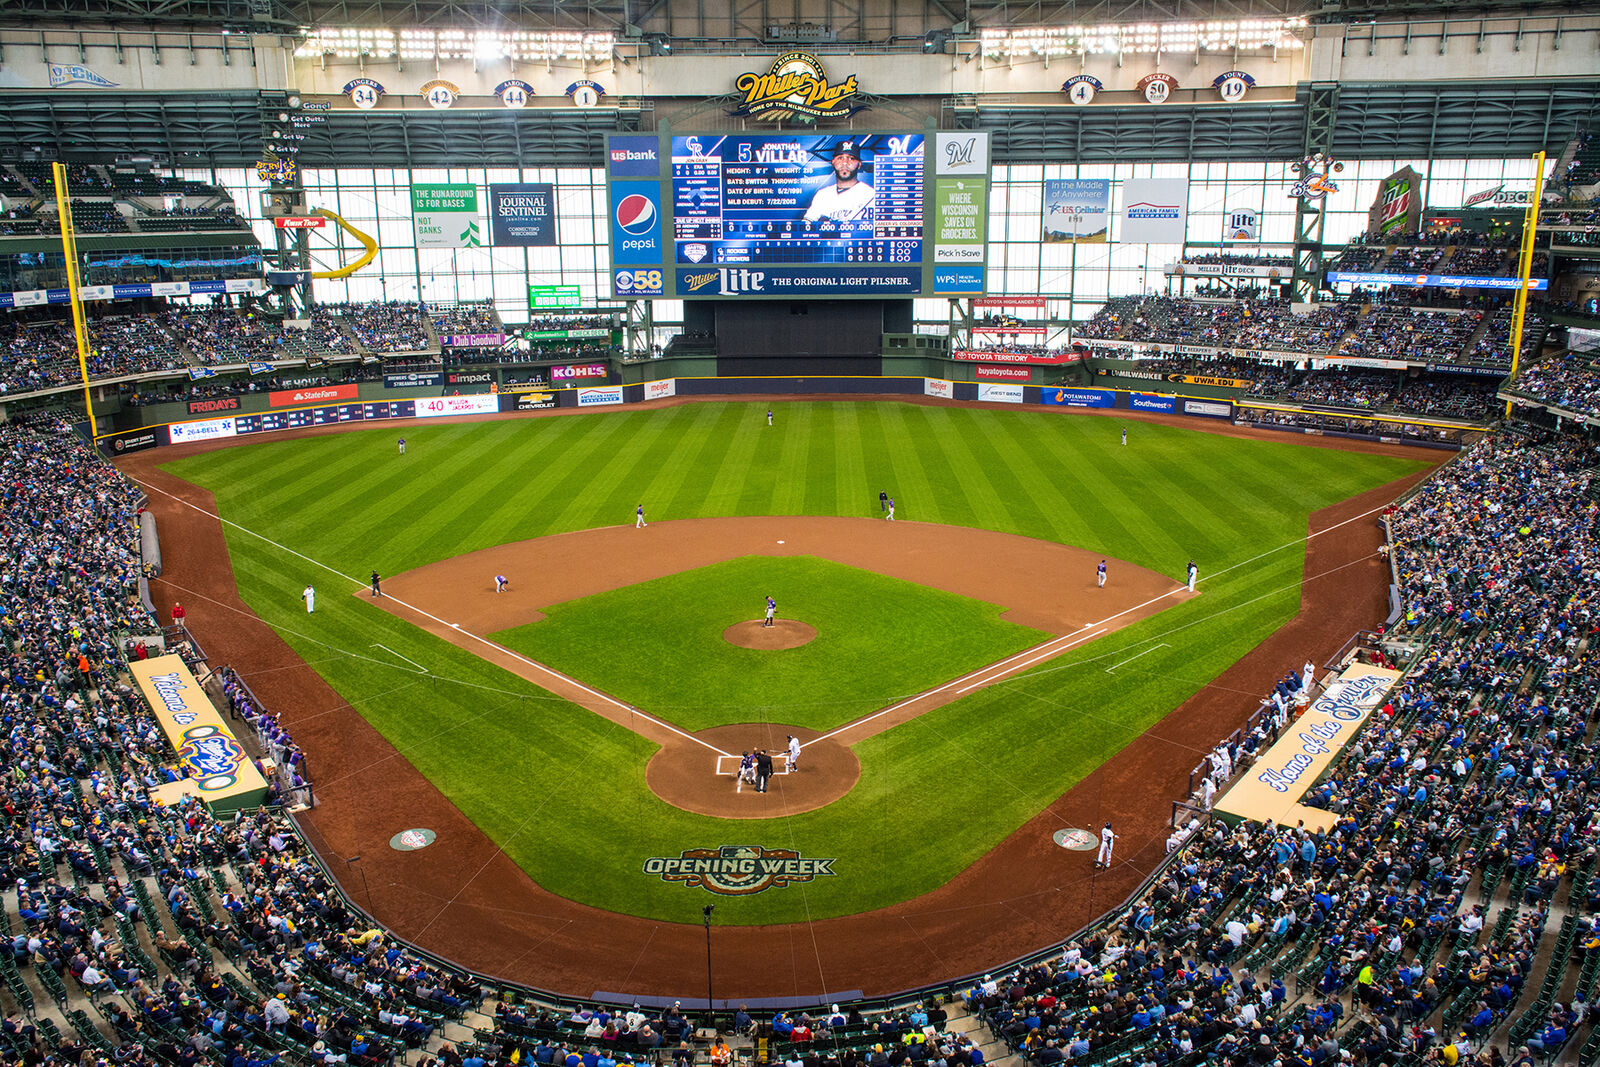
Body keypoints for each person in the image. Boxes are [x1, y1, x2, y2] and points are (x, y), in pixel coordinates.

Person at [804, 141, 873, 223]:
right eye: (840, 158)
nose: (845, 163)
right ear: (833, 162)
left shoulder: (870, 195)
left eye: (851, 158)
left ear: (859, 164)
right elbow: (805, 226)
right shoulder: (822, 195)